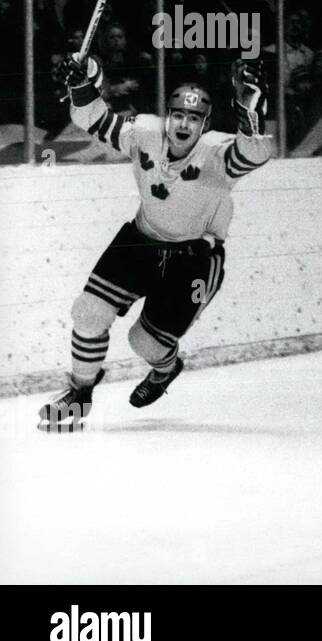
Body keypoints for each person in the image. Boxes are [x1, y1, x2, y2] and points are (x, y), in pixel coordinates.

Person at [38, 53, 273, 432]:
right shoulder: (144, 133)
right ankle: (80, 392)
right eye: (178, 114)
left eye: (194, 118)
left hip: (194, 258)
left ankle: (165, 368)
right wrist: (83, 84)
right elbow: (91, 118)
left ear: (205, 125)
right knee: (88, 312)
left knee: (143, 342)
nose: (184, 123)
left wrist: (250, 108)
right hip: (141, 239)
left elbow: (255, 153)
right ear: (168, 117)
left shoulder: (216, 154)